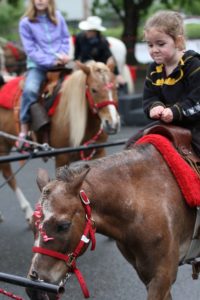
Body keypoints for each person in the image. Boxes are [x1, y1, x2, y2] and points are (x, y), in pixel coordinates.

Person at [128, 10, 200, 158]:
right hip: (168, 124)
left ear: (178, 41)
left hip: (195, 124)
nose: (154, 50)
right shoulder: (154, 69)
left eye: (160, 44)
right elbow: (150, 97)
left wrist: (175, 111)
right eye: (150, 45)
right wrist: (155, 107)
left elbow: (197, 101)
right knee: (133, 143)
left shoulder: (194, 65)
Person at [17, 0, 70, 147]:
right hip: (39, 66)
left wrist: (63, 54)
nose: (40, 0)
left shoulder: (58, 17)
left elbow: (65, 39)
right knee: (30, 90)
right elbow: (31, 50)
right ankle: (24, 128)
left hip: (61, 63)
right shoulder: (26, 23)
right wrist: (50, 61)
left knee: (83, 83)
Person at [74, 15, 125, 86]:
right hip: (85, 66)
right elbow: (76, 54)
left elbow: (109, 57)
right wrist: (77, 63)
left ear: (96, 32)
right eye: (87, 30)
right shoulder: (80, 37)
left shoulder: (102, 42)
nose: (87, 32)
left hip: (99, 69)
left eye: (90, 30)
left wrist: (117, 74)